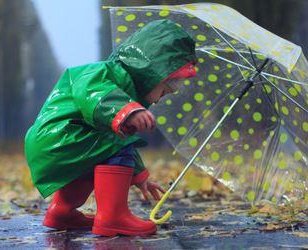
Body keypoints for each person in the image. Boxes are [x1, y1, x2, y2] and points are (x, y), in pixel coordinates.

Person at [24, 19, 197, 236]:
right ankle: (112, 217)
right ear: (154, 70)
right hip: (61, 138)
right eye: (170, 84)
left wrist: (141, 177)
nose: (172, 91)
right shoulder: (105, 74)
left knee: (102, 148)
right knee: (115, 139)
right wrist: (128, 110)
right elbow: (94, 94)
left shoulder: (123, 84)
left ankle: (62, 211)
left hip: (62, 142)